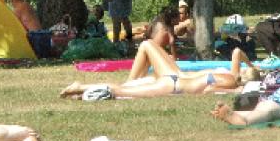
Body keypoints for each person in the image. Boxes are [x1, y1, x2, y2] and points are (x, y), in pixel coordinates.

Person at [59, 40, 259, 99]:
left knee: (124, 90)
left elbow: (237, 52)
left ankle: (82, 90)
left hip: (175, 81)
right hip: (174, 84)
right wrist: (236, 91)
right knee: (122, 91)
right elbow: (208, 90)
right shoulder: (232, 80)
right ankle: (81, 87)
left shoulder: (230, 75)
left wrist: (251, 66)